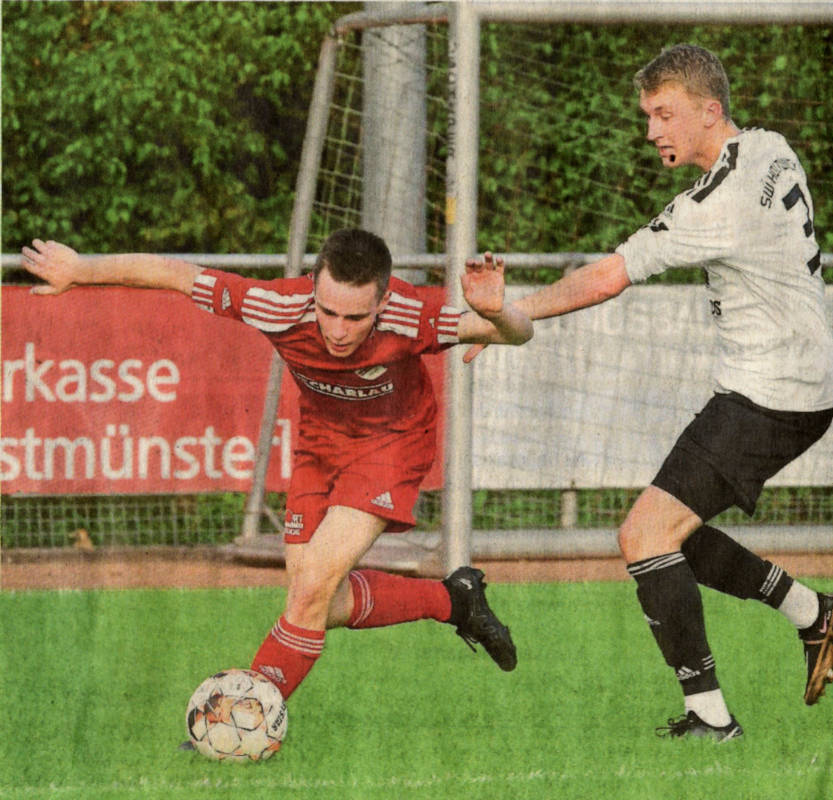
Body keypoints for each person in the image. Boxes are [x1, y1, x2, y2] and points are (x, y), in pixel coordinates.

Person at [21, 229, 532, 713]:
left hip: (392, 445)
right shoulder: (278, 305)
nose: (337, 330)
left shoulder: (413, 316)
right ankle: (453, 599)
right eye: (327, 311)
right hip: (319, 445)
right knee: (317, 600)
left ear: (381, 302)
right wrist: (81, 269)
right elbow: (176, 274)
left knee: (311, 588)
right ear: (312, 290)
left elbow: (516, 334)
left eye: (355, 318)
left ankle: (245, 714)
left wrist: (498, 311)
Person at [494, 43, 833, 740]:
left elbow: (605, 278)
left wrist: (510, 315)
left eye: (663, 113)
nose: (651, 130)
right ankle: (814, 615)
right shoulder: (771, 146)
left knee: (643, 534)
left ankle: (710, 719)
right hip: (798, 386)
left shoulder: (714, 205)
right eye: (647, 115)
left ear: (710, 111)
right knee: (672, 534)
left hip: (770, 395)